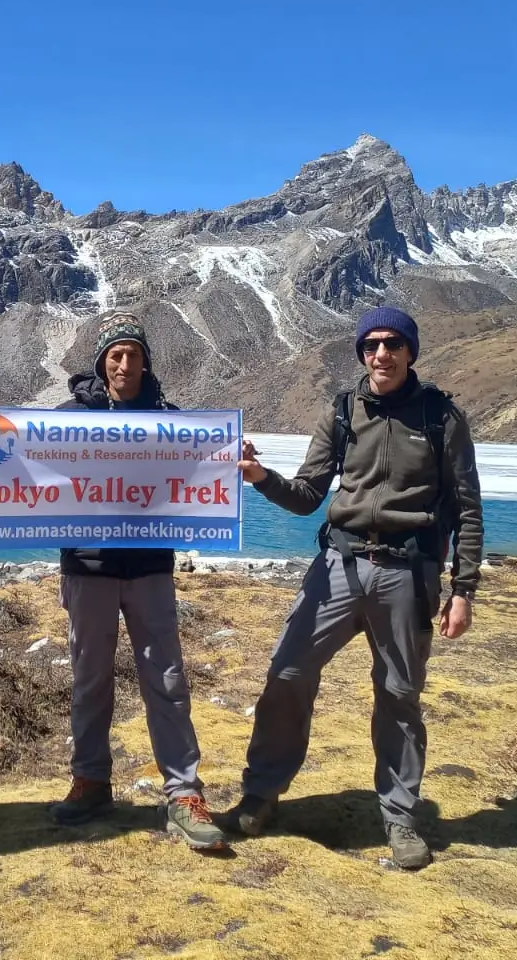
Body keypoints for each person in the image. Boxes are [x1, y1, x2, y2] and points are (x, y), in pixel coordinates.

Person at [229, 306, 482, 870]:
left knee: (398, 694)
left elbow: (467, 509)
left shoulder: (441, 417)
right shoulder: (343, 411)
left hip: (407, 572)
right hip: (338, 565)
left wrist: (463, 589)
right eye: (370, 345)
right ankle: (261, 793)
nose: (381, 354)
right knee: (288, 671)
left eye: (393, 344)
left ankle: (398, 814)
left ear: (410, 351)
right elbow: (306, 494)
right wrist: (261, 478)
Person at [42, 311, 226, 850]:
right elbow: (25, 466)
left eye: (134, 354)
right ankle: (91, 781)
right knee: (89, 680)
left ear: (146, 362)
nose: (124, 364)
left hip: (149, 567)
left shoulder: (170, 420)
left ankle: (184, 793)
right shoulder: (68, 418)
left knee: (166, 680)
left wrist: (228, 458)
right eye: (115, 355)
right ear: (101, 361)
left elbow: (199, 474)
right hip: (89, 566)